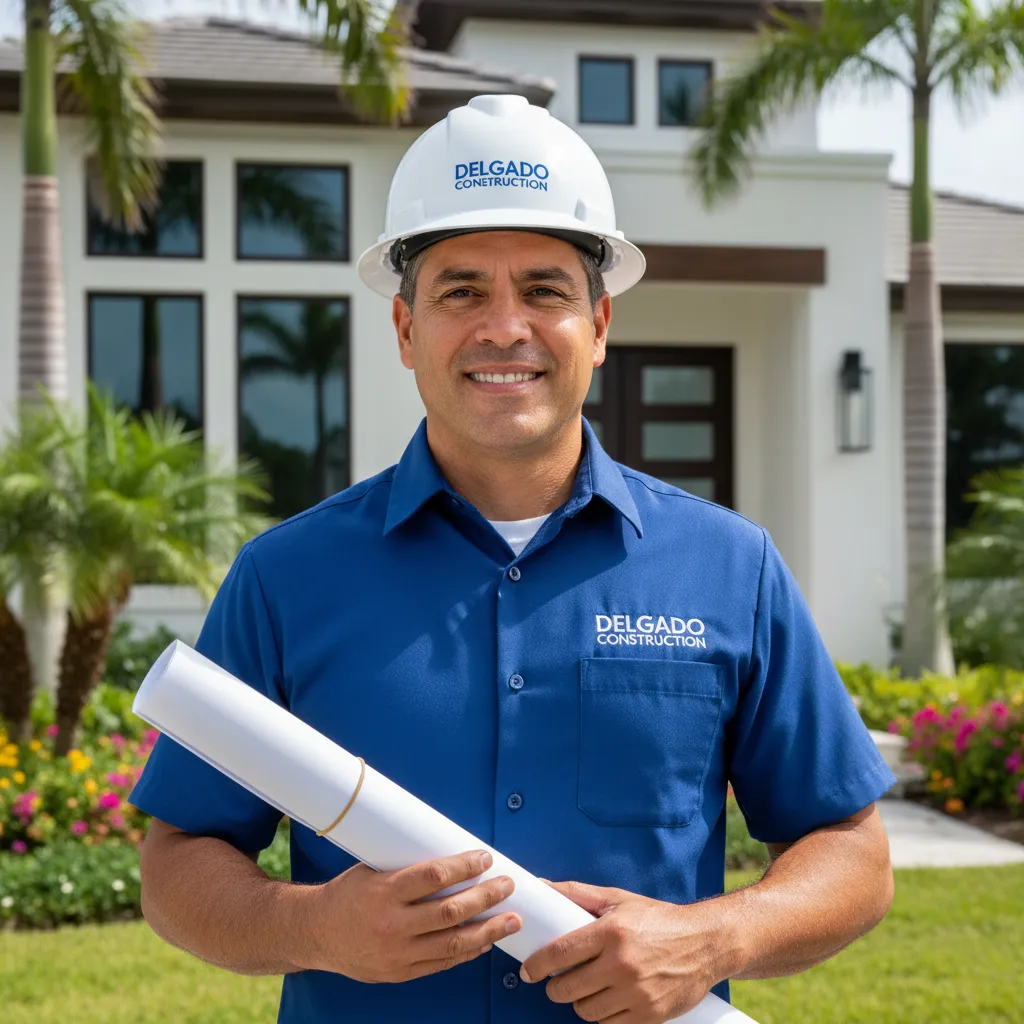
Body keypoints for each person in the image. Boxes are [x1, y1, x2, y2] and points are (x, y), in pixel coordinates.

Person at [130, 94, 896, 1024]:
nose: (505, 328)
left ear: (600, 324)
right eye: (461, 291)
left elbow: (851, 852)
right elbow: (178, 864)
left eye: (544, 289)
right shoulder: (285, 579)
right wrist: (317, 928)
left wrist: (715, 939)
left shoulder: (730, 568)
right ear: (407, 330)